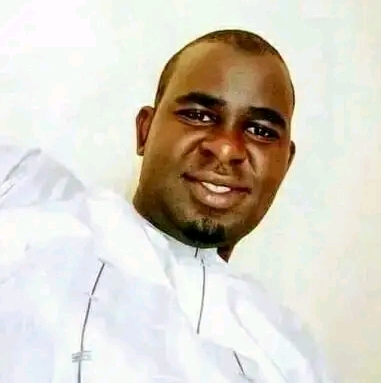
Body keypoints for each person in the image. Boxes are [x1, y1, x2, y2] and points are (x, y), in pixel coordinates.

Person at [0, 29, 330, 382]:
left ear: (286, 163)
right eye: (199, 115)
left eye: (261, 131)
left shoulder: (292, 355)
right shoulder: (28, 197)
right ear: (145, 130)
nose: (226, 148)